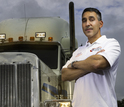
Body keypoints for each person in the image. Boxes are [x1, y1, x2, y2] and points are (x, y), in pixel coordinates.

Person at [61, 7, 121, 107]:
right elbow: (64, 75)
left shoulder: (111, 43)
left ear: (100, 24)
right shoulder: (78, 51)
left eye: (91, 19)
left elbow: (97, 63)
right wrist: (90, 65)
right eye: (84, 21)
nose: (87, 24)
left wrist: (74, 64)